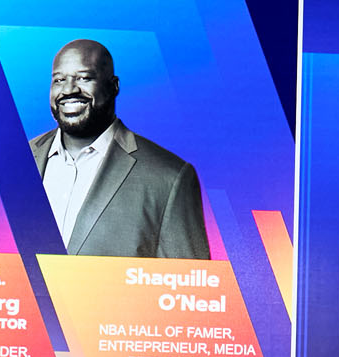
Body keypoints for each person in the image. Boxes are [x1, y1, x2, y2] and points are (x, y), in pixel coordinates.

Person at [29, 39, 209, 259]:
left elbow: (186, 287)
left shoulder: (169, 178)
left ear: (114, 86)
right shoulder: (19, 160)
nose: (68, 89)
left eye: (84, 78)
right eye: (59, 80)